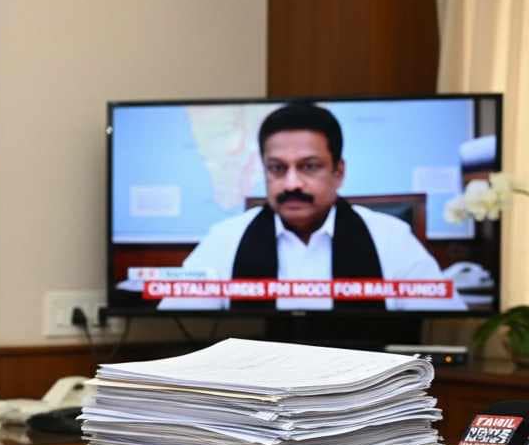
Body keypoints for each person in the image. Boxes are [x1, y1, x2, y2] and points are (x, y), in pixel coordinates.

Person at [159, 103, 464, 311]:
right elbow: (179, 316)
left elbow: (440, 317)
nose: (292, 184)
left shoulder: (391, 238)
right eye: (277, 168)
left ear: (339, 172)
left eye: (309, 166)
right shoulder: (225, 239)